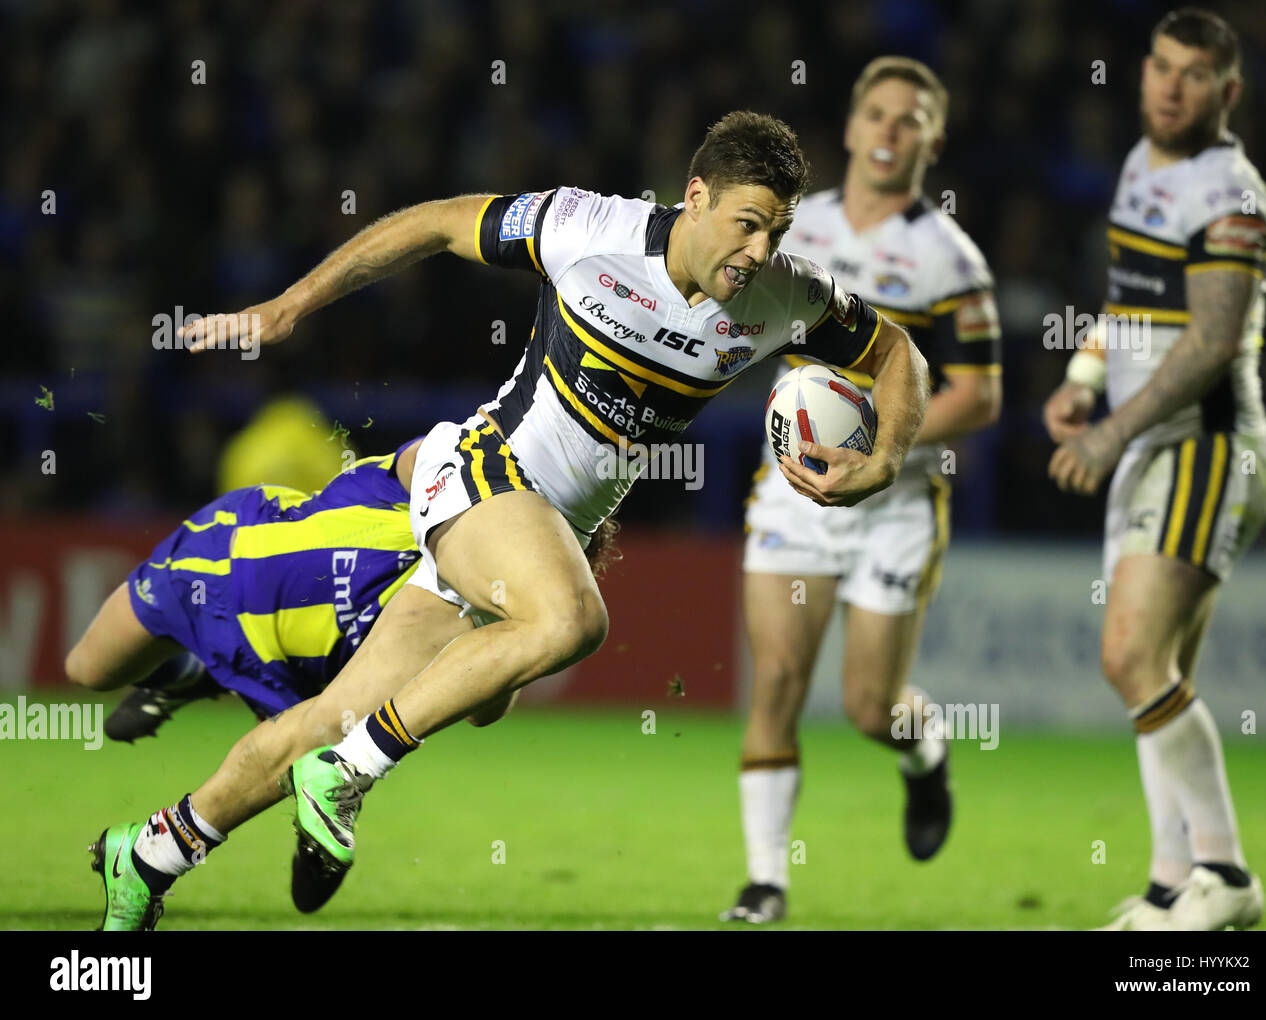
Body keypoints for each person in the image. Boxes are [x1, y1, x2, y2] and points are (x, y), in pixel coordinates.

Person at [96, 110, 930, 929]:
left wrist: (886, 457)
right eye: (747, 225)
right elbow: (433, 224)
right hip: (482, 471)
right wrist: (289, 306)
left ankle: (151, 853)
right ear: (696, 195)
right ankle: (348, 773)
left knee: (324, 720)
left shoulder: (784, 298)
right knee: (569, 619)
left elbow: (898, 353)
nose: (759, 253)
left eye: (776, 233)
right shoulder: (587, 227)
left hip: (540, 531)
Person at [721, 58, 1001, 923]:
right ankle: (766, 882)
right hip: (793, 491)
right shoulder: (794, 234)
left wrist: (882, 441)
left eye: (908, 119)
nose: (888, 130)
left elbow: (980, 393)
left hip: (897, 504)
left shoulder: (949, 256)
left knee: (871, 708)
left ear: (933, 140)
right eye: (875, 114)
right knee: (774, 682)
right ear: (848, 129)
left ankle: (925, 757)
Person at [76, 442, 533, 928]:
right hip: (226, 555)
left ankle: (173, 844)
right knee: (90, 670)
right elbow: (430, 452)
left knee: (319, 740)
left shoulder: (451, 616)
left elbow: (481, 711)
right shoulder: (440, 488)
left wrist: (510, 623)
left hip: (285, 671)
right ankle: (188, 674)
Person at [1042, 8, 1266, 931]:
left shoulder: (1232, 195)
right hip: (1157, 443)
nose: (1173, 86)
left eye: (1196, 75)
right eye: (1162, 68)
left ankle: (1225, 872)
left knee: (1130, 655)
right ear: (1143, 73)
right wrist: (1085, 376)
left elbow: (1214, 342)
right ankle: (1170, 886)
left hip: (1207, 445)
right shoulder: (1145, 167)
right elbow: (1134, 299)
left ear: (1228, 92)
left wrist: (1108, 436)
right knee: (1156, 673)